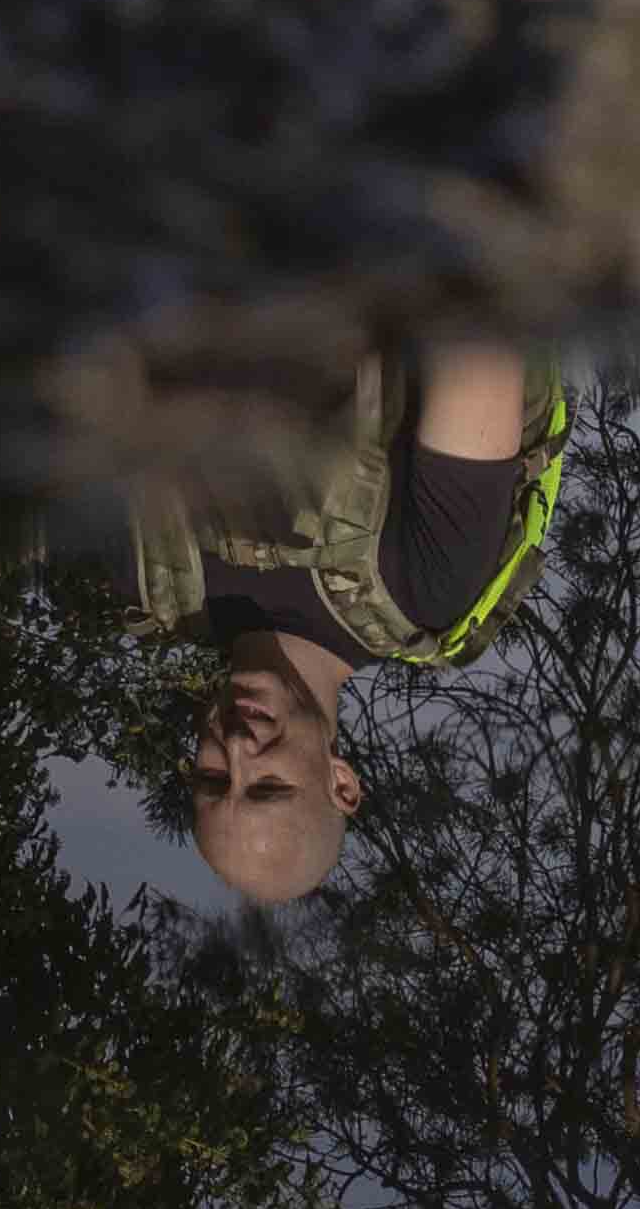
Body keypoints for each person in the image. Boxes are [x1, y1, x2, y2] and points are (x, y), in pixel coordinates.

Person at [101, 328, 577, 901]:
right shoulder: (426, 590)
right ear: (342, 783)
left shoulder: (147, 572)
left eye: (212, 778)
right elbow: (478, 326)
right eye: (268, 786)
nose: (234, 747)